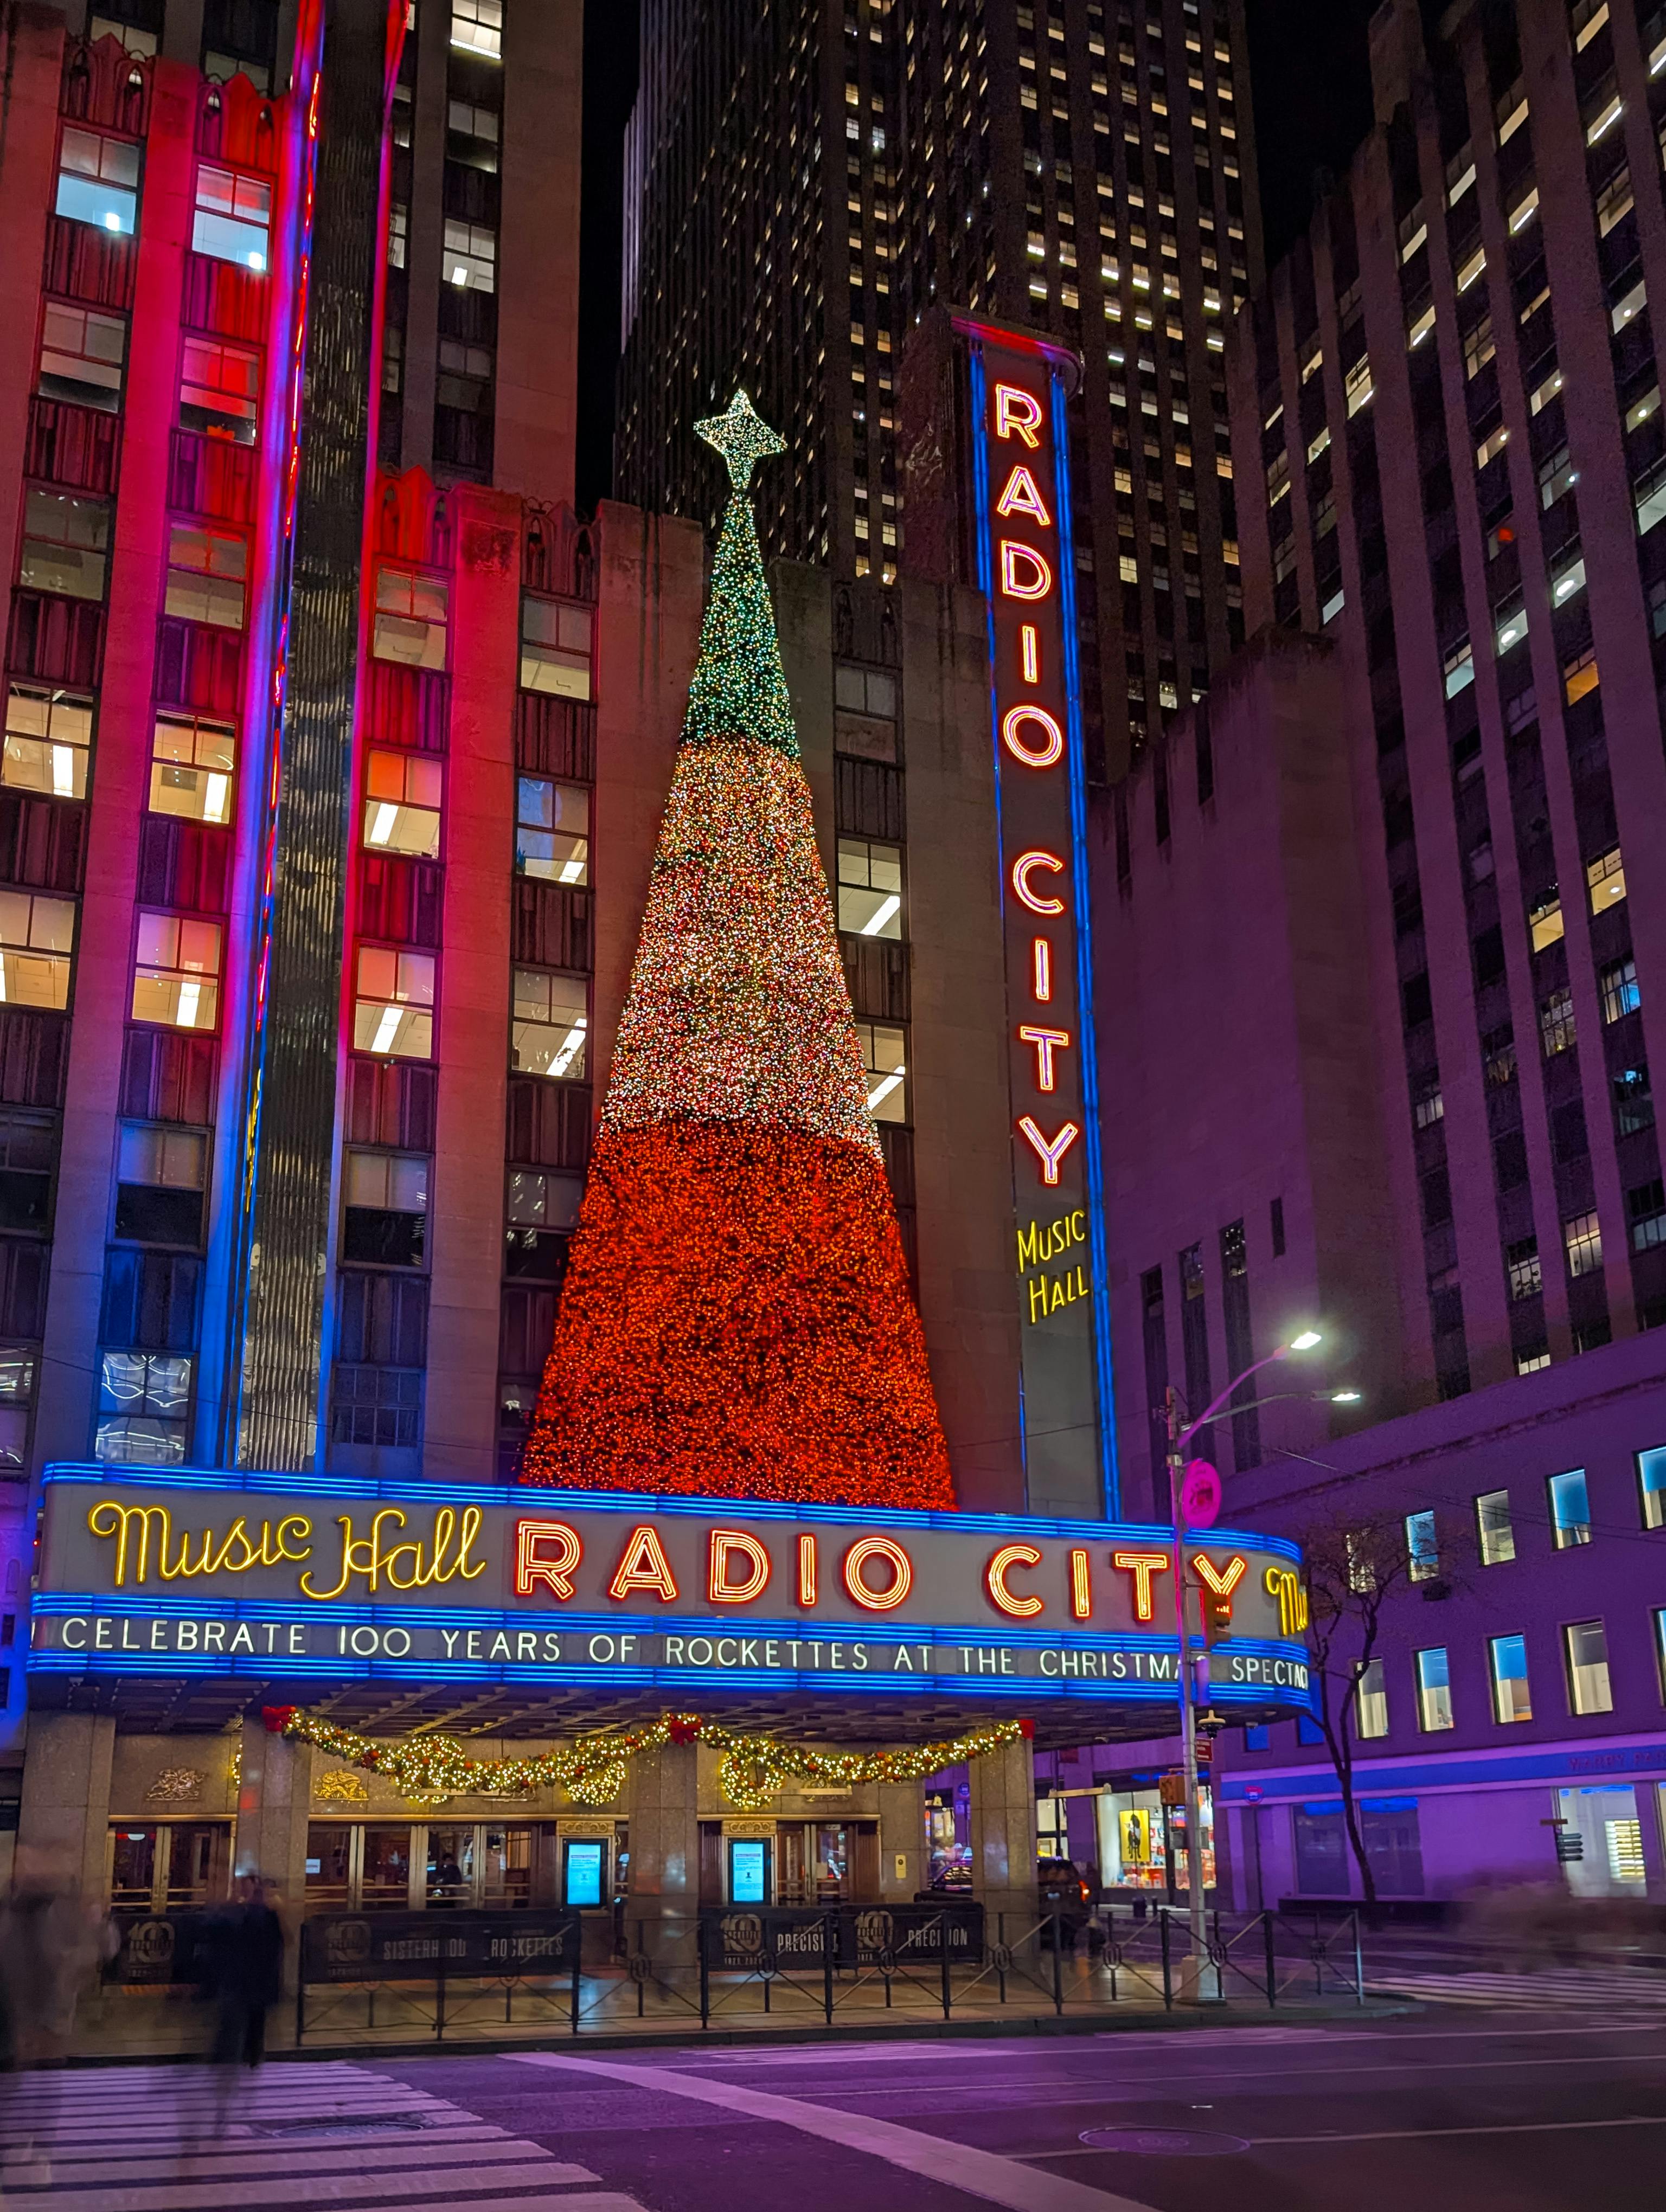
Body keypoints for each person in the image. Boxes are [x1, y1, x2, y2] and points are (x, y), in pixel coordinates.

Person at [204, 1873, 284, 2128]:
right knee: (235, 2037)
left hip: (249, 1987)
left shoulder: (261, 1916)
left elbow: (275, 1951)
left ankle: (240, 2073)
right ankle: (228, 2090)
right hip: (239, 1987)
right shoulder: (238, 1914)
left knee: (247, 2033)